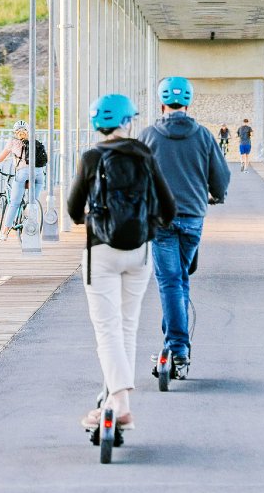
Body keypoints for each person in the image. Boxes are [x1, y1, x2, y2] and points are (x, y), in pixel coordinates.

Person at [67, 94, 176, 429]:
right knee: (127, 326)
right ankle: (114, 402)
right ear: (128, 121)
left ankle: (120, 404)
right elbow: (168, 208)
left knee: (107, 328)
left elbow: (73, 211)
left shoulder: (90, 157)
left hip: (99, 249)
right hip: (139, 250)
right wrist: (147, 227)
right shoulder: (144, 155)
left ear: (97, 124)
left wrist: (95, 219)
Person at [139, 77, 230, 377]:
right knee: (179, 280)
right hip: (192, 218)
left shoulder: (149, 135)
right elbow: (221, 175)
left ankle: (177, 348)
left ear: (161, 103)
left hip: (160, 220)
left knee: (169, 282)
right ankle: (177, 346)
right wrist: (217, 195)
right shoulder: (203, 135)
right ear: (189, 103)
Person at [0, 120, 45, 241]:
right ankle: (31, 222)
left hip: (23, 173)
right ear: (28, 131)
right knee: (32, 202)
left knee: (14, 203)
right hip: (39, 174)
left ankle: (4, 232)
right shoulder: (35, 142)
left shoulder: (13, 142)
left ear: (15, 132)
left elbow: (1, 157)